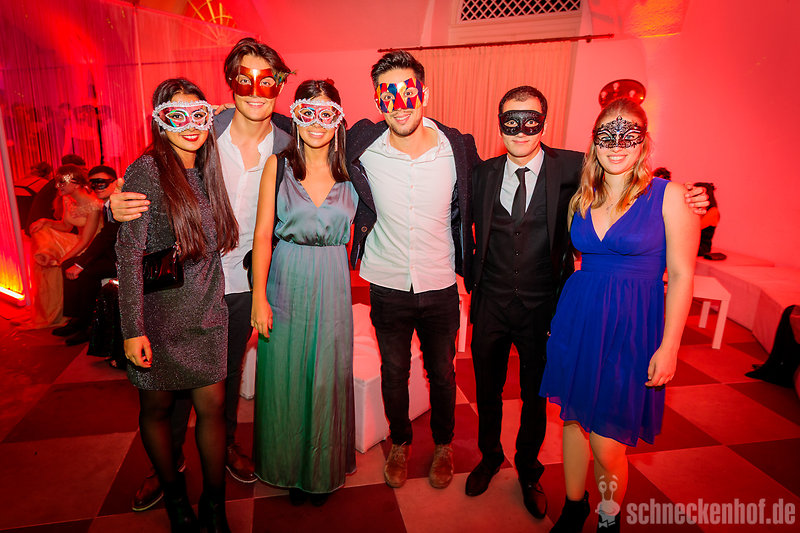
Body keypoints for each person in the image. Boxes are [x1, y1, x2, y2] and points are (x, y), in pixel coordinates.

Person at [110, 38, 293, 511]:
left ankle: (224, 447)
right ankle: (167, 465)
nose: (255, 92)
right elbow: (145, 194)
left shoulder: (292, 141)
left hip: (243, 282)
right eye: (244, 80)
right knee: (169, 393)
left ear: (280, 85)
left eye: (267, 81)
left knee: (223, 380)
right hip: (178, 287)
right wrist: (110, 206)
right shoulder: (207, 129)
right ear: (230, 84)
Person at [540, 98, 699, 532]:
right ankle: (574, 507)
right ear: (594, 142)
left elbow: (682, 276)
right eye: (607, 136)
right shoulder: (581, 196)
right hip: (579, 322)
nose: (617, 145)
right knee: (573, 420)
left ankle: (608, 518)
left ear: (643, 142)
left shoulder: (672, 196)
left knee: (607, 443)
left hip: (632, 328)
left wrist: (670, 347)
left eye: (628, 135)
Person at [346, 50, 480, 490]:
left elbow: (495, 184)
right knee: (393, 372)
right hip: (386, 283)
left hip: (440, 282)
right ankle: (400, 442)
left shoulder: (456, 148)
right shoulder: (363, 146)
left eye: (408, 92)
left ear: (425, 94)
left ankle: (443, 444)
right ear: (378, 101)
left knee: (442, 373)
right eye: (388, 95)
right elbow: (308, 138)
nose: (399, 104)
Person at [116, 78, 239, 532]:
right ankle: (175, 500)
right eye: (176, 115)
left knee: (213, 409)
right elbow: (129, 253)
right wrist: (133, 329)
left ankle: (214, 505)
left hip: (208, 311)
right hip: (161, 317)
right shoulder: (147, 170)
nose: (189, 125)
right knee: (157, 411)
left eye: (198, 114)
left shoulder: (208, 166)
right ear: (159, 122)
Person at [466, 86, 583, 519]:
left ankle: (529, 470)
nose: (519, 130)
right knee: (487, 389)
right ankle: (490, 456)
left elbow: (622, 177)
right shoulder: (482, 173)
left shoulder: (571, 166)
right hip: (491, 302)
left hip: (542, 305)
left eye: (529, 121)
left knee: (535, 395)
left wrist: (679, 194)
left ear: (544, 124)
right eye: (510, 121)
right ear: (500, 124)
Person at [250, 79, 356, 506]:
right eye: (307, 112)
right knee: (286, 376)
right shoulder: (277, 166)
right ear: (294, 116)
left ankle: (320, 467)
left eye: (326, 113)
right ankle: (289, 468)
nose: (317, 122)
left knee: (327, 376)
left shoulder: (353, 173)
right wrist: (258, 297)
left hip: (333, 282)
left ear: (338, 120)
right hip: (286, 279)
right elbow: (262, 235)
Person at [25, 163, 103, 328]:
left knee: (60, 265)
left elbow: (86, 241)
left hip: (94, 248)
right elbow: (65, 226)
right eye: (57, 182)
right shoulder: (68, 199)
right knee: (42, 230)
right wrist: (45, 221)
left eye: (61, 182)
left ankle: (67, 315)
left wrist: (63, 259)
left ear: (75, 184)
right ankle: (49, 314)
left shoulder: (94, 205)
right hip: (79, 242)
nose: (56, 186)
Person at [55, 165, 119, 346]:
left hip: (124, 259)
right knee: (69, 264)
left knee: (86, 272)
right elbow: (104, 238)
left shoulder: (117, 203)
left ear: (115, 182)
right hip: (110, 254)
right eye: (93, 183)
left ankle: (85, 325)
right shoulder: (107, 204)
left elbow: (106, 237)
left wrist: (81, 264)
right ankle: (76, 319)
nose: (97, 187)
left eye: (102, 182)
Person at [694, 181, 719, 256]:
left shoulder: (713, 211)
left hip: (702, 246)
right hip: (693, 244)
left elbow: (696, 227)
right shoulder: (698, 208)